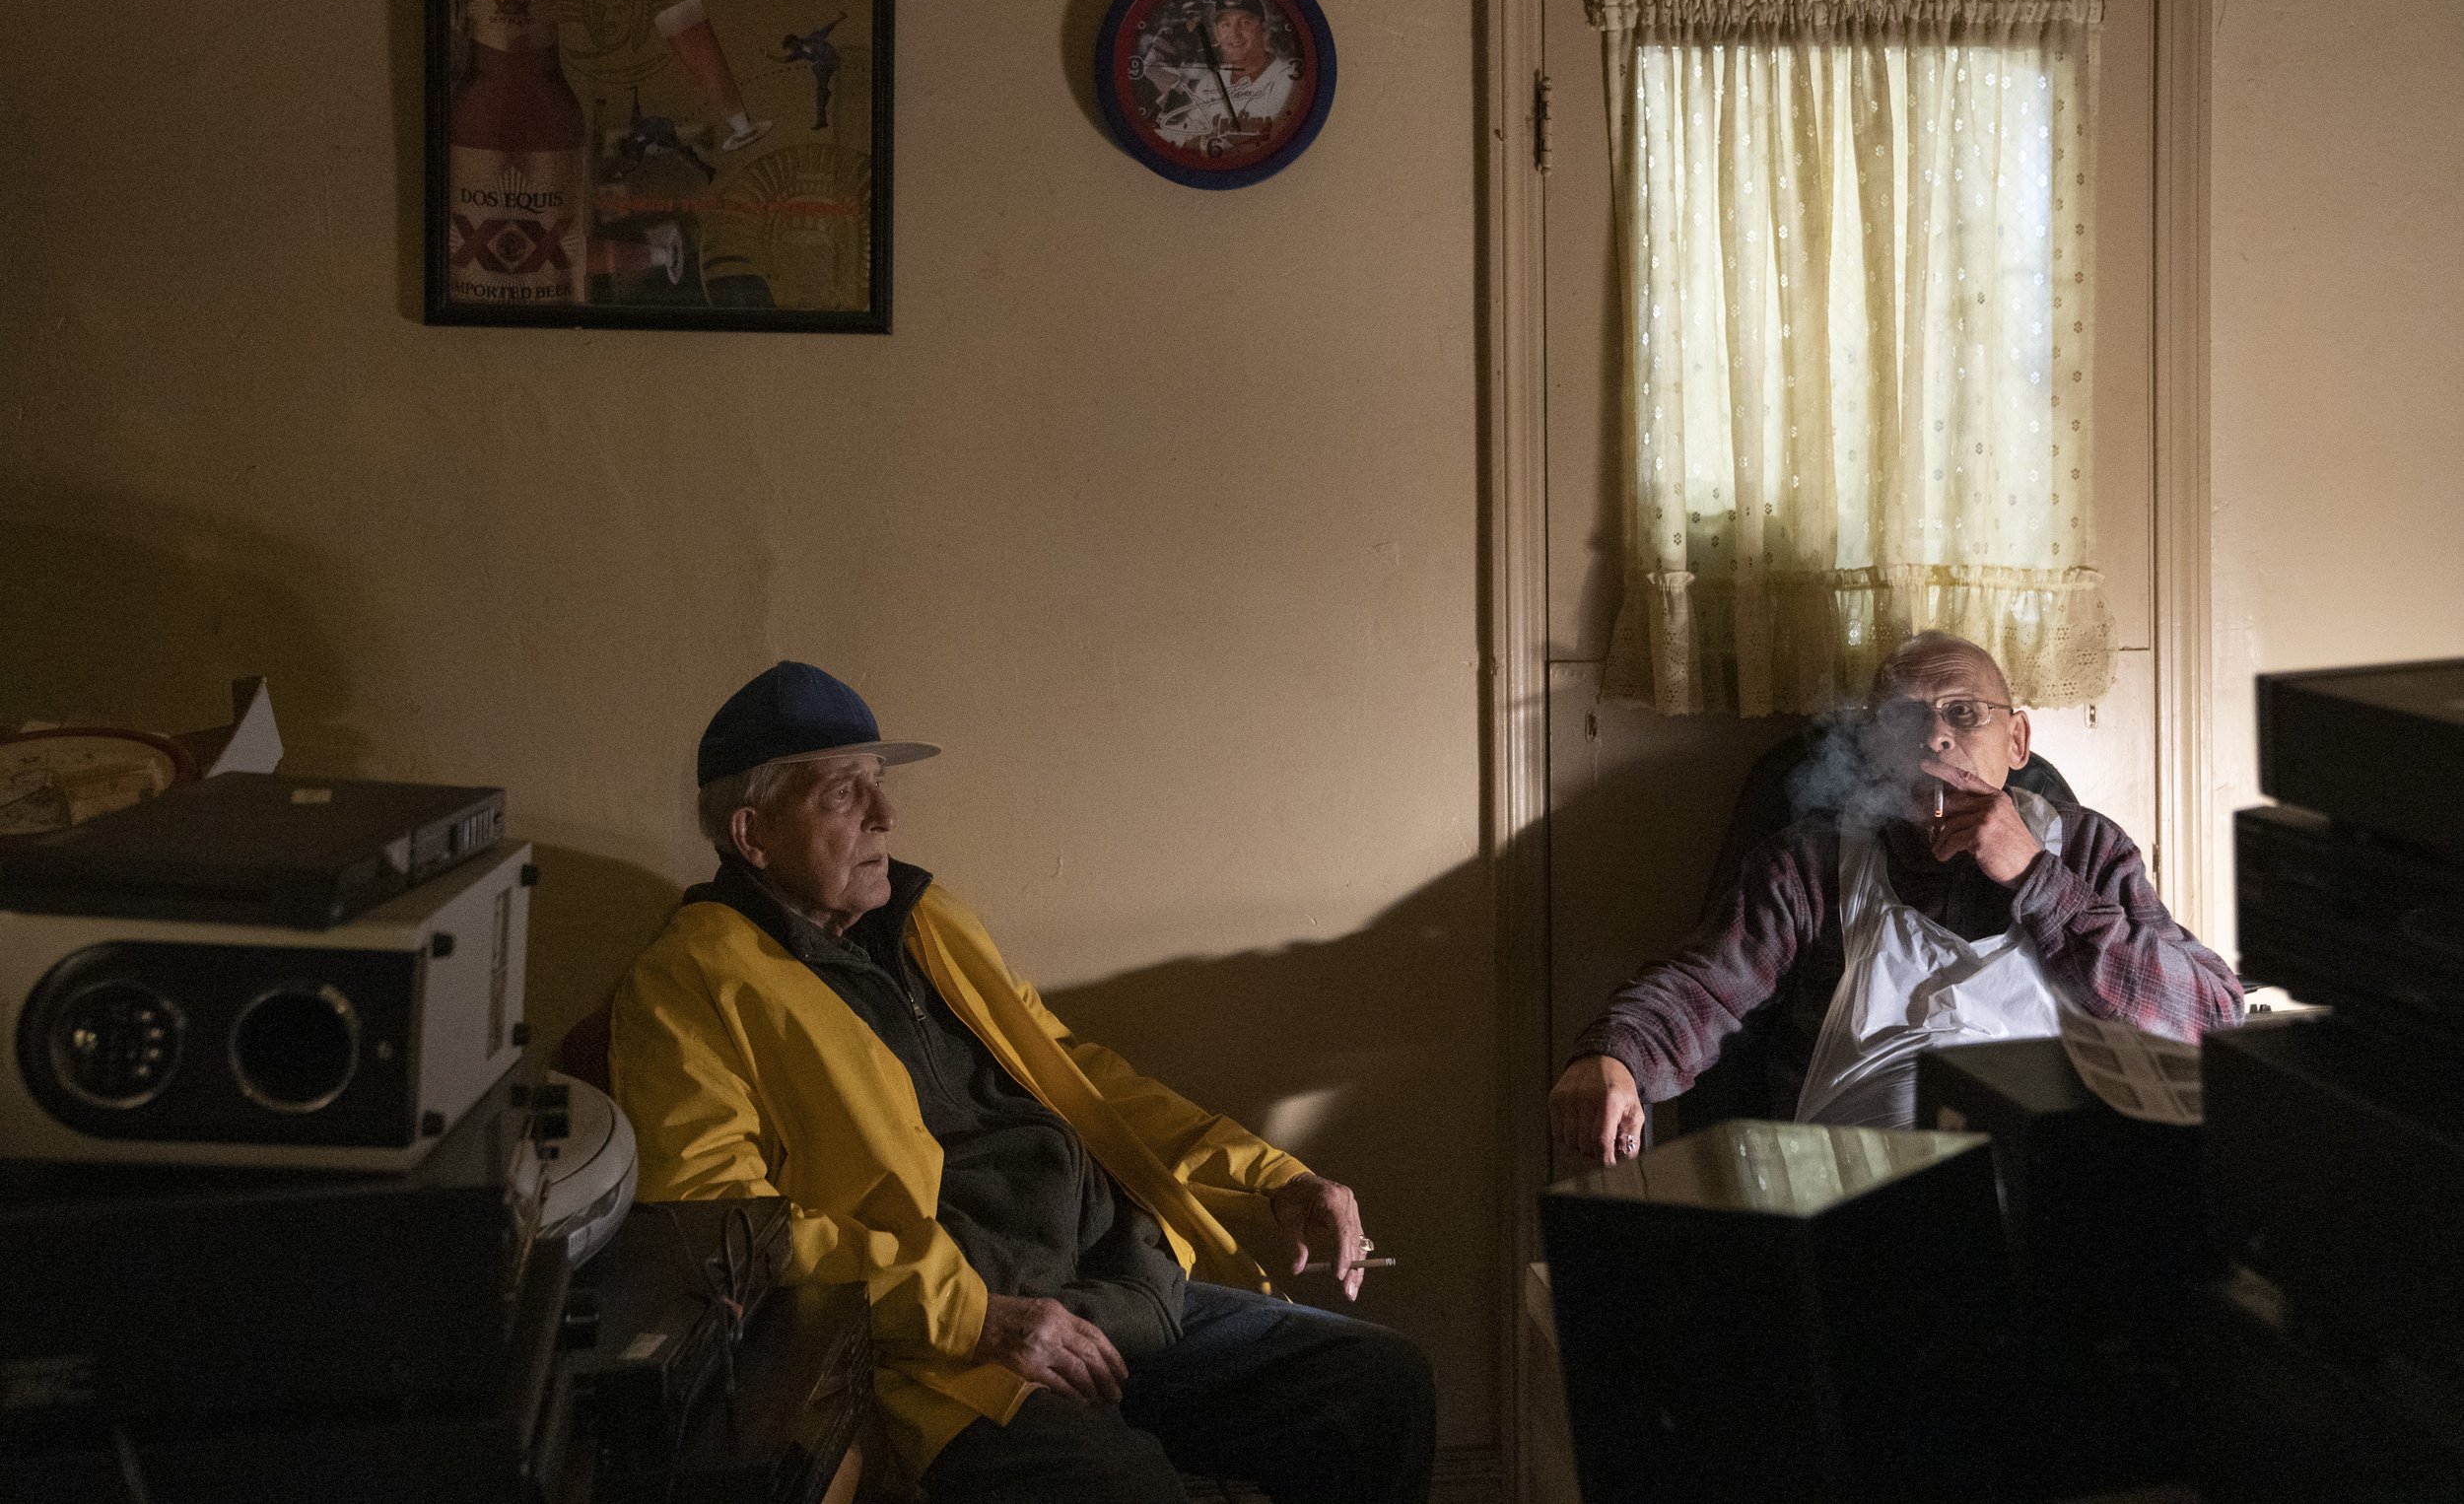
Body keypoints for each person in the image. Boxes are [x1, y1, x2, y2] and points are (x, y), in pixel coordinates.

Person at [609, 662, 1435, 1503]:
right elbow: (724, 1228)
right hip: (952, 1354)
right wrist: (973, 1316)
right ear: (753, 834)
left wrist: (1274, 1176)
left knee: (1377, 1386)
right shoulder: (687, 983)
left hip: (1116, 1285)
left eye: (880, 784)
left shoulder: (927, 918)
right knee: (1128, 1491)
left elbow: (1081, 1078)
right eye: (843, 794)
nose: (887, 817)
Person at [1549, 632, 2244, 1155]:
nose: (1937, 734)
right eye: (1905, 721)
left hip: (2050, 1194)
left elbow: (2211, 1014)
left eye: (1965, 712)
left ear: (2018, 738)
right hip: (1860, 1194)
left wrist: (2037, 878)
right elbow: (1703, 988)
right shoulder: (1811, 862)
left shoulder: (2088, 850)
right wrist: (1614, 1056)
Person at [1148, 0, 1301, 149]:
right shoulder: (1208, 83)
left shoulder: (1287, 79)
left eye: (1245, 23)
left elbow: (1279, 140)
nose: (1234, 33)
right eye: (1225, 24)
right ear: (1217, 33)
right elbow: (1190, 138)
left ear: (1264, 29)